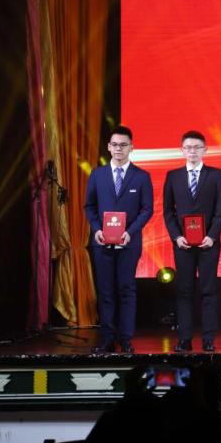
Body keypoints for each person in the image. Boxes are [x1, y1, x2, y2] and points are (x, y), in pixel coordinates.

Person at [84, 125, 154, 353]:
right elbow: (89, 206)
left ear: (131, 147)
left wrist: (129, 232)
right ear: (108, 147)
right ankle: (106, 339)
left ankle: (125, 339)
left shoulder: (142, 177)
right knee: (105, 292)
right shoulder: (97, 175)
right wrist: (96, 229)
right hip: (102, 243)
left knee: (126, 289)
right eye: (115, 145)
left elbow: (147, 209)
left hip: (128, 243)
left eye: (123, 145)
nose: (118, 149)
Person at [162, 130, 221, 352]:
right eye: (188, 148)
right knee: (184, 291)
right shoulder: (173, 176)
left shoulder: (216, 175)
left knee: (209, 291)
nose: (193, 151)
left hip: (209, 244)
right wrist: (176, 236)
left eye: (197, 147)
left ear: (204, 150)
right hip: (183, 245)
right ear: (182, 150)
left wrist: (212, 236)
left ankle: (208, 340)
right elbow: (168, 211)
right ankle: (184, 339)